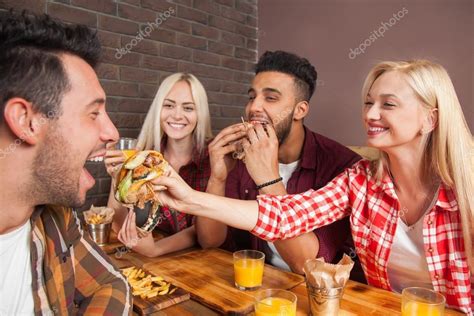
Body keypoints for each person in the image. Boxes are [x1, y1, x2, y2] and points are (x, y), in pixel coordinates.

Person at [152, 60, 473, 313]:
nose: (370, 114)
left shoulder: (466, 187)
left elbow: (308, 263)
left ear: (430, 120)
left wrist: (265, 179)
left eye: (388, 104)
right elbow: (285, 216)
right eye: (368, 103)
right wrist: (189, 198)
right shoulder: (361, 180)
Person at [0, 11, 131, 315]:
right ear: (27, 121)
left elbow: (110, 284)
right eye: (93, 113)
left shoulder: (58, 217)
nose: (112, 133)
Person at [196, 51, 361, 275]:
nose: (254, 107)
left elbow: (308, 267)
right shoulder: (242, 155)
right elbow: (210, 242)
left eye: (271, 98)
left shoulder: (343, 167)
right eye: (252, 97)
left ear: (300, 110)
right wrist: (218, 177)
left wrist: (267, 180)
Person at [105, 73, 213, 257]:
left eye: (188, 108)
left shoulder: (212, 159)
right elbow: (119, 224)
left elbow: (205, 230)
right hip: (157, 262)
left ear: (200, 113)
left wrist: (157, 249)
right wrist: (118, 179)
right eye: (169, 105)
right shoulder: (144, 158)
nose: (177, 115)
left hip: (207, 260)